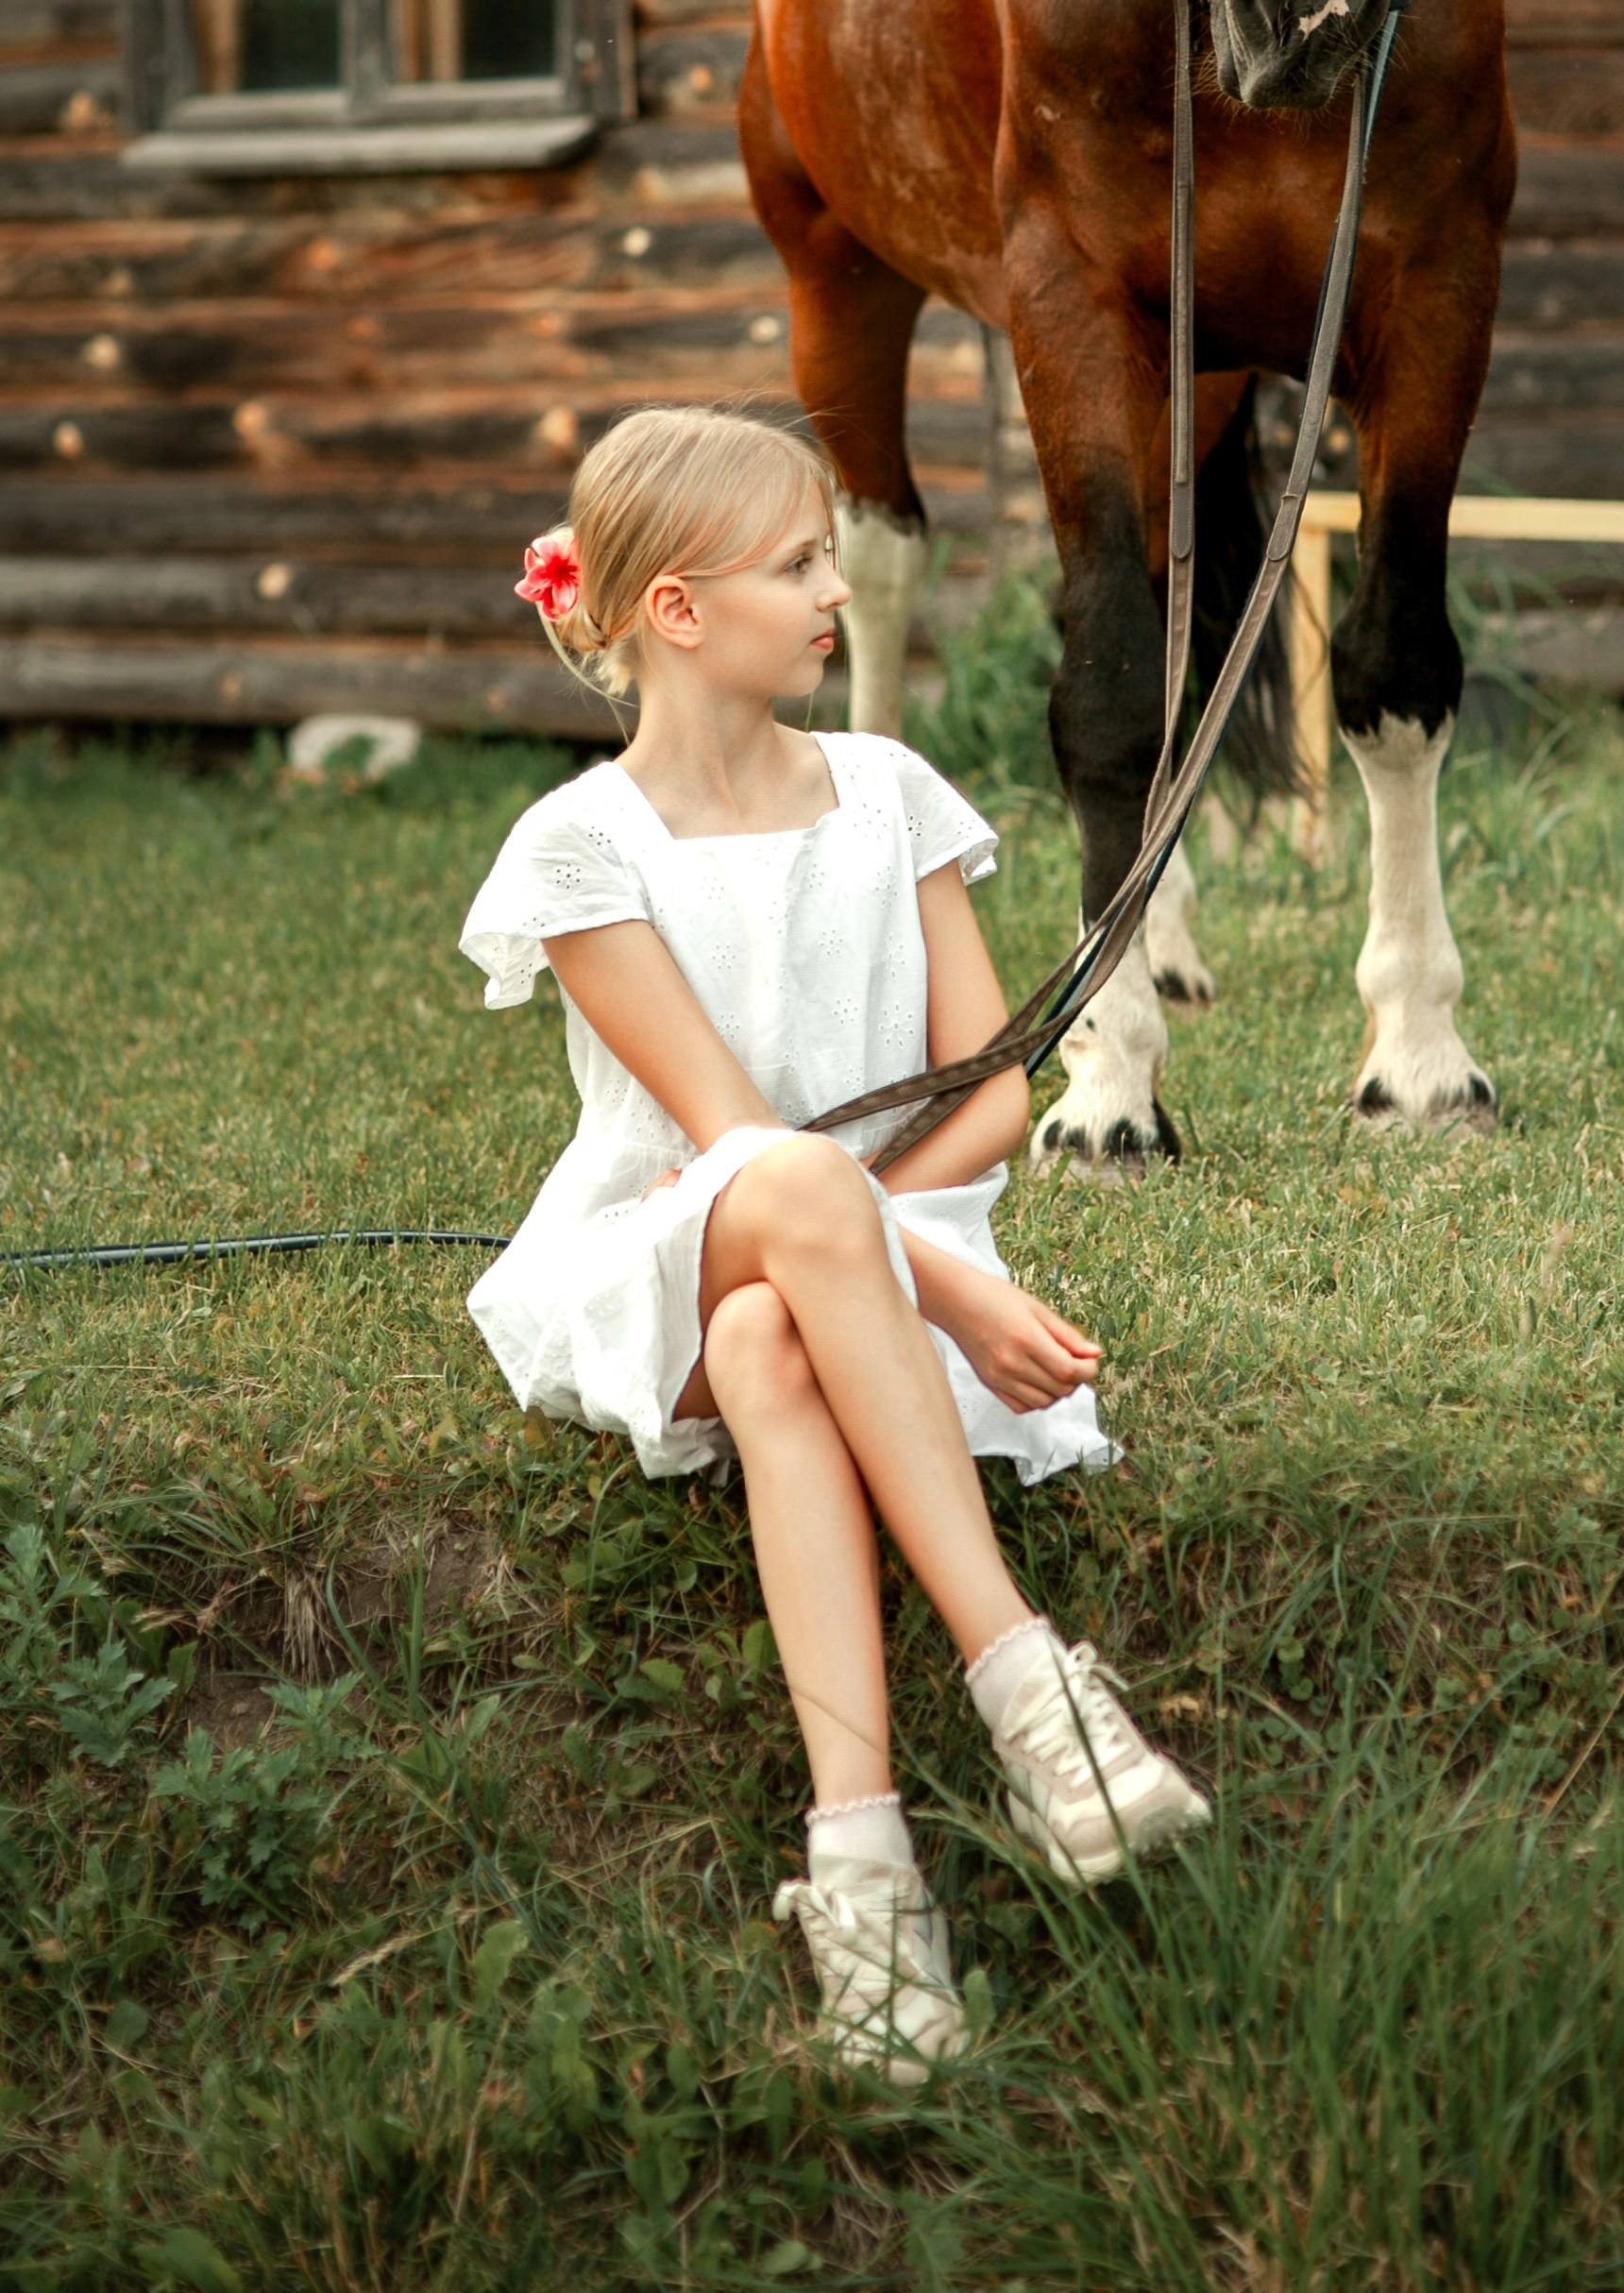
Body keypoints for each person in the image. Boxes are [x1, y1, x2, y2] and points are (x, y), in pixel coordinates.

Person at [458, 403, 1208, 2082]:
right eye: (800, 565)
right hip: (681, 1240)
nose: (833, 594)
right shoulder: (582, 848)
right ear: (674, 611)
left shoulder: (885, 790)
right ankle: (1028, 1689)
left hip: (845, 1264)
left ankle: (864, 1883)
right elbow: (735, 1143)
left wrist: (914, 1253)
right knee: (780, 1209)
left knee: (773, 1345)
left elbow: (996, 1092)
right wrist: (957, 1290)